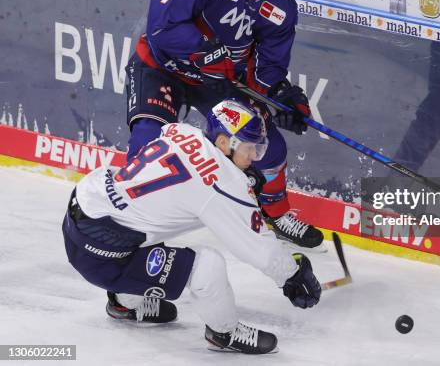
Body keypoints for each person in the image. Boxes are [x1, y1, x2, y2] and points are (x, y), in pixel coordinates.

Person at [125, 0, 323, 249]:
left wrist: (280, 97)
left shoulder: (281, 6)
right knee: (145, 143)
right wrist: (203, 46)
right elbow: (161, 22)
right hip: (162, 68)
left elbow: (268, 69)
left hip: (213, 82)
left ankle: (275, 215)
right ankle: (135, 228)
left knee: (267, 145)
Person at [62, 99, 321, 354]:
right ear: (223, 143)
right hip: (103, 252)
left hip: (84, 208)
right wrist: (293, 275)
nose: (254, 156)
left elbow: (190, 176)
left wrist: (240, 179)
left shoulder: (181, 131)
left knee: (150, 227)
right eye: (250, 148)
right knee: (207, 265)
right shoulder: (222, 183)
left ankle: (124, 303)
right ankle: (224, 334)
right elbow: (257, 247)